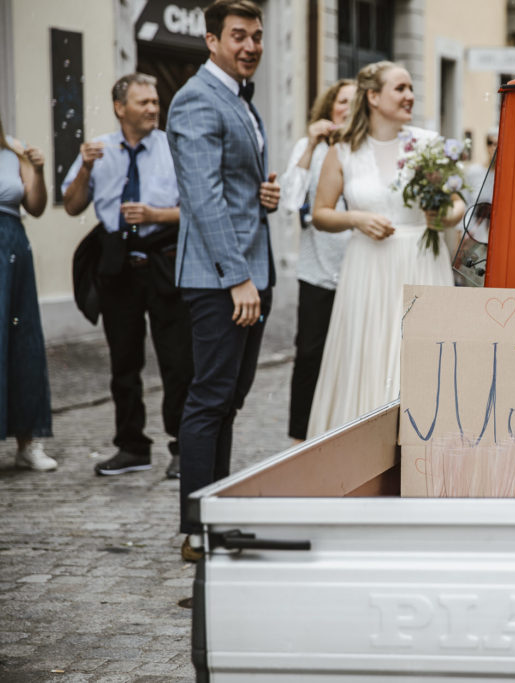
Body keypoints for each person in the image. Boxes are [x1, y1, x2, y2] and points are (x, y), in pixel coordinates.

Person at [166, 0, 280, 561]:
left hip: (250, 271)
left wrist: (264, 196)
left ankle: (215, 512)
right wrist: (237, 279)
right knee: (209, 399)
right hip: (221, 279)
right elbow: (201, 197)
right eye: (238, 36)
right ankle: (195, 527)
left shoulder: (239, 99)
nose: (250, 46)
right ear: (211, 40)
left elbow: (229, 186)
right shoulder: (195, 99)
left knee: (228, 400)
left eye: (257, 36)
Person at [306, 60, 464, 434]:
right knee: (371, 355)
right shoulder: (343, 150)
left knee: (421, 358)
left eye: (411, 88)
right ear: (373, 97)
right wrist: (356, 219)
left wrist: (444, 217)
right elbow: (321, 214)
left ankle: (425, 445)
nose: (409, 96)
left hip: (421, 264)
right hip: (369, 268)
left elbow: (456, 202)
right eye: (400, 88)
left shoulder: (425, 144)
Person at [62, 73, 193, 479]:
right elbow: (70, 204)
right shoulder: (97, 150)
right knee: (123, 362)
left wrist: (156, 215)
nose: (153, 108)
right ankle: (132, 447)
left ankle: (183, 448)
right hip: (117, 263)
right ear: (121, 107)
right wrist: (84, 168)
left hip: (163, 259)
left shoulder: (173, 147)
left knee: (177, 361)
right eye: (144, 102)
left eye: (155, 101)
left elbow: (195, 207)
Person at [279, 79, 356, 442]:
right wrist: (310, 144)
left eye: (355, 103)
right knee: (310, 353)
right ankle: (299, 436)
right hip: (317, 268)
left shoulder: (365, 149)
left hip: (358, 268)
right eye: (342, 101)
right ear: (329, 107)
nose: (348, 108)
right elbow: (290, 201)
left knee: (352, 355)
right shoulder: (310, 147)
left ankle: (343, 429)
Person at [0, 116, 55, 472]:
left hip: (12, 244)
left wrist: (38, 170)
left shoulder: (12, 150)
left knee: (24, 340)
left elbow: (35, 205)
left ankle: (28, 442)